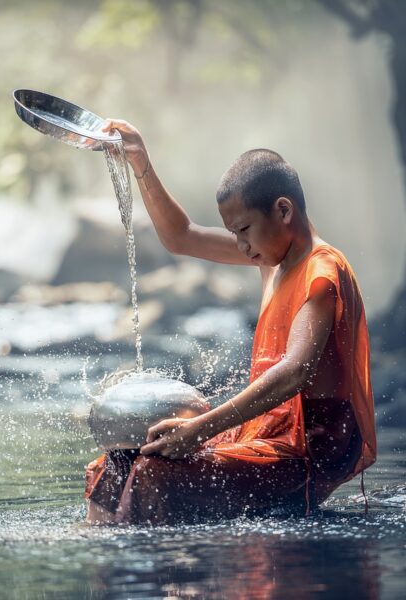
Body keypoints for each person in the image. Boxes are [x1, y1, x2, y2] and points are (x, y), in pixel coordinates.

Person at [85, 119, 377, 525]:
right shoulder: (271, 256)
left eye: (243, 230)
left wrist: (201, 429)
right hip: (263, 433)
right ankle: (99, 559)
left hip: (307, 451)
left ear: (283, 210)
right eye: (233, 233)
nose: (241, 247)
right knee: (115, 462)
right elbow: (181, 236)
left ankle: (165, 580)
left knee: (153, 473)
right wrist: (140, 162)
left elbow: (295, 371)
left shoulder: (321, 271)